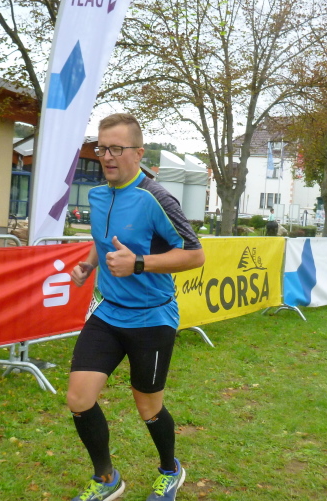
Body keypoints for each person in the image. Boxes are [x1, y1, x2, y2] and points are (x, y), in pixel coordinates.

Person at [68, 113, 205, 501]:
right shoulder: (98, 195)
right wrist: (89, 266)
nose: (107, 157)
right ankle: (106, 478)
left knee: (148, 407)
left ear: (139, 153)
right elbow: (104, 240)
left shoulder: (156, 198)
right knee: (79, 398)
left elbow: (194, 255)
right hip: (108, 312)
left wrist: (139, 264)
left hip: (152, 317)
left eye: (116, 148)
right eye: (101, 148)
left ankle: (170, 470)